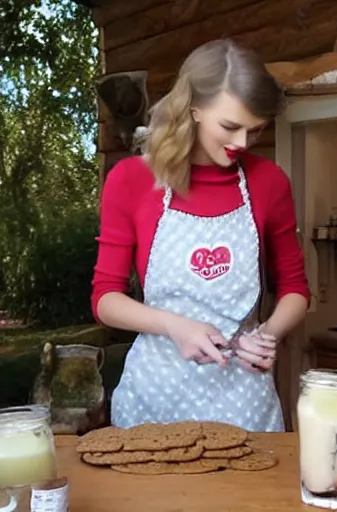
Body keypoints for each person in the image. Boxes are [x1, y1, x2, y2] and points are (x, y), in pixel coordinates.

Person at [91, 39, 310, 432]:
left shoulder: (269, 182)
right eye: (230, 126)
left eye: (255, 130)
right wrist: (176, 326)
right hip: (155, 398)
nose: (242, 143)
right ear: (193, 108)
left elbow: (295, 289)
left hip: (244, 399)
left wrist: (265, 335)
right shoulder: (131, 180)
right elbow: (106, 299)